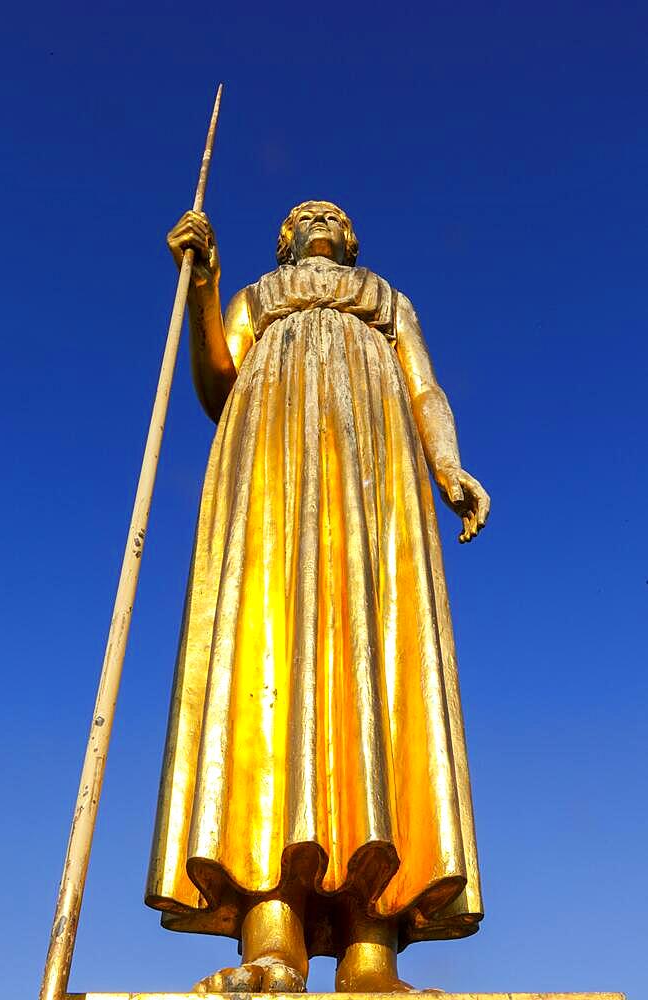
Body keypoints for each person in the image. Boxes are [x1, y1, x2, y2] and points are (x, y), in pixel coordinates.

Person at [145, 200, 490, 993]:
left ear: (352, 238)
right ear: (285, 240)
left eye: (331, 213)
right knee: (270, 672)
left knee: (376, 679)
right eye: (303, 215)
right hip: (270, 473)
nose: (318, 218)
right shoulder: (260, 300)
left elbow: (424, 388)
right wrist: (203, 284)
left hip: (376, 484)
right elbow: (217, 381)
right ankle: (273, 942)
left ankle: (372, 955)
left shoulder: (385, 301)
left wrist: (447, 467)